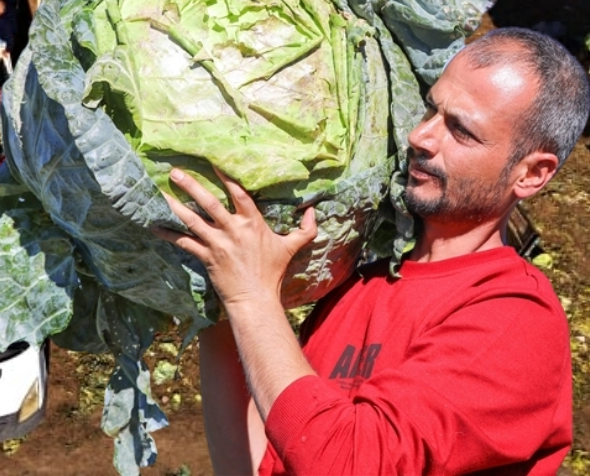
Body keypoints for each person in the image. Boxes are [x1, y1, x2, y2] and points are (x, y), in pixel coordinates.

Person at [154, 27, 589, 476]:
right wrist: (217, 289)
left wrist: (251, 297)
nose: (421, 136)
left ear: (532, 175)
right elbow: (264, 462)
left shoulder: (515, 318)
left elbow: (347, 464)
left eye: (460, 130)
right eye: (431, 109)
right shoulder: (357, 285)